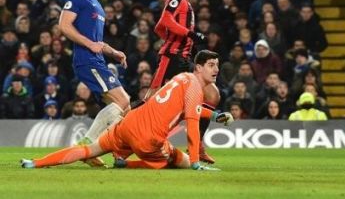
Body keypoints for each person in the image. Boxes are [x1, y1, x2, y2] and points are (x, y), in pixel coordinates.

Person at [21, 50, 233, 170]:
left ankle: (35, 163)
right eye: (211, 65)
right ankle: (126, 165)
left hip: (127, 124)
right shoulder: (196, 87)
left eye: (217, 65)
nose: (216, 69)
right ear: (198, 67)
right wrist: (195, 162)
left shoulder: (180, 79)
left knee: (89, 150)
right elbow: (193, 125)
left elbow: (190, 109)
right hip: (147, 140)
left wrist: (213, 115)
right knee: (178, 161)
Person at [59, 0, 130, 167]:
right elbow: (64, 25)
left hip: (97, 59)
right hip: (87, 60)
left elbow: (96, 39)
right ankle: (88, 147)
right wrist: (90, 46)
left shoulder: (96, 2)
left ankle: (109, 149)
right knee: (123, 101)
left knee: (123, 109)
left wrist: (112, 51)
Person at [148, 0, 217, 164]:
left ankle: (198, 147)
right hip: (171, 59)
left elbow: (160, 28)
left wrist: (173, 38)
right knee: (148, 102)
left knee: (211, 95)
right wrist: (189, 35)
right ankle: (117, 141)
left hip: (183, 59)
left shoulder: (185, 2)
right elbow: (165, 20)